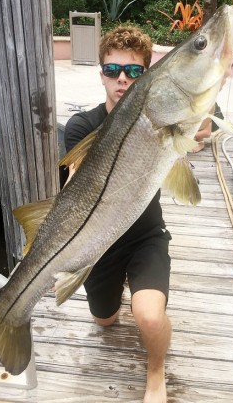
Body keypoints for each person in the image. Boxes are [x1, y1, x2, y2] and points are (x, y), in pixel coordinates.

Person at [64, 26, 172, 403]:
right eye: (112, 70)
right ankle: (121, 293)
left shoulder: (160, 119)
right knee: (104, 321)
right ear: (101, 74)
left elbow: (204, 122)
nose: (122, 79)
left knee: (148, 317)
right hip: (101, 241)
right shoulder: (82, 125)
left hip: (145, 235)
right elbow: (74, 186)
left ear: (147, 74)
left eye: (134, 71)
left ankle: (156, 372)